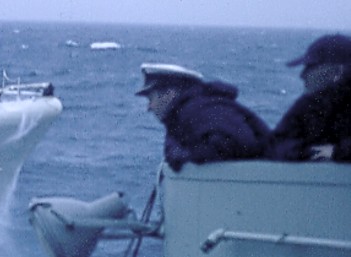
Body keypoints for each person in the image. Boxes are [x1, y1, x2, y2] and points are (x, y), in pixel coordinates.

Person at [136, 63, 271, 171]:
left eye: (150, 99)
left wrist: (185, 156)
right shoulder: (188, 113)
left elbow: (235, 143)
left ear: (169, 94)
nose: (149, 107)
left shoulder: (200, 110)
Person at [270, 34, 351, 162]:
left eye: (311, 67)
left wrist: (337, 152)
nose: (302, 75)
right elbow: (276, 144)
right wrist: (307, 153)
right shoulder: (306, 106)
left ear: (338, 71)